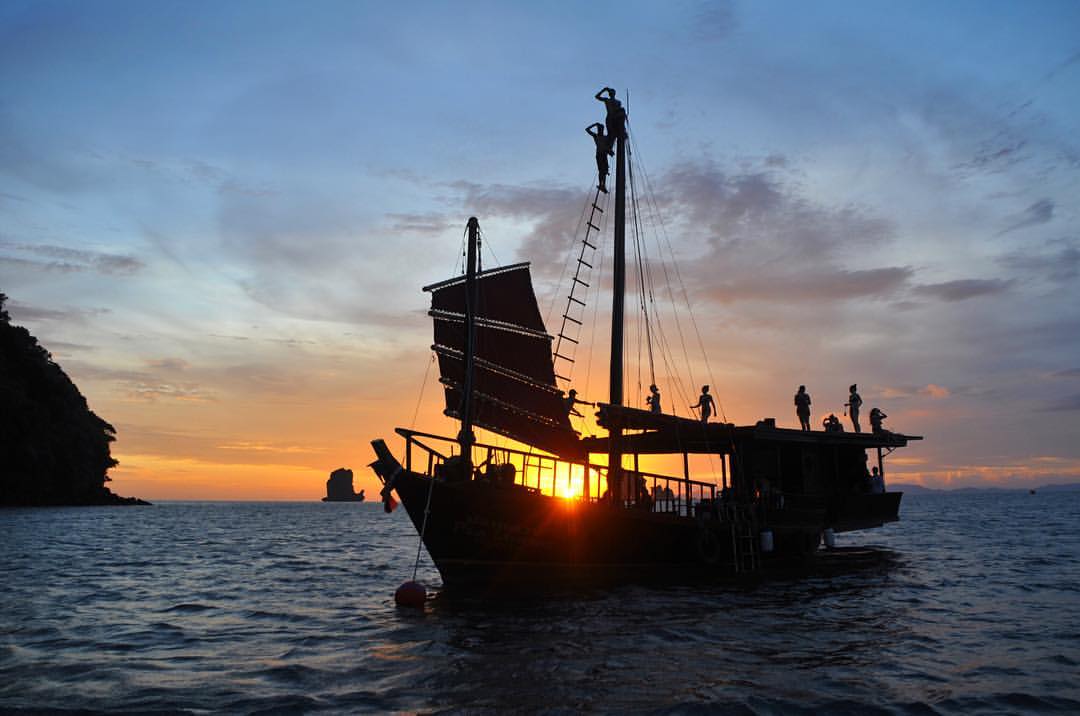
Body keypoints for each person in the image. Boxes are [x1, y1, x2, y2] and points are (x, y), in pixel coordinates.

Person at [585, 123, 614, 193]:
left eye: (601, 129)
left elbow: (611, 140)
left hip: (604, 155)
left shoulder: (605, 137)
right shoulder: (596, 136)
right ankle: (601, 184)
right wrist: (595, 124)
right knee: (602, 171)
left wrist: (609, 150)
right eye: (599, 129)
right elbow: (587, 129)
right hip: (600, 155)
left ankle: (603, 185)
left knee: (605, 171)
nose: (600, 130)